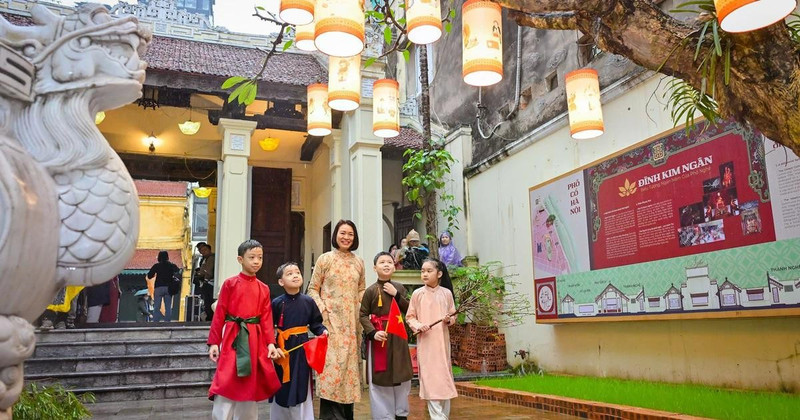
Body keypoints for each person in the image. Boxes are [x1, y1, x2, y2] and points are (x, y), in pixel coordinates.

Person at [207, 239, 282, 420]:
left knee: (250, 382)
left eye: (260, 257)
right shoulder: (230, 284)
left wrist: (270, 343)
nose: (256, 261)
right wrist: (214, 342)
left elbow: (266, 318)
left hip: (254, 340)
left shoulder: (263, 288)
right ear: (240, 259)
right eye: (252, 257)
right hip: (233, 336)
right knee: (227, 378)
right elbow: (220, 314)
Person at [307, 219, 366, 420]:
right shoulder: (325, 259)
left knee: (349, 371)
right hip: (330, 324)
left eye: (350, 234)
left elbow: (361, 289)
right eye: (343, 233)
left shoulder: (359, 262)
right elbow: (313, 289)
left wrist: (361, 311)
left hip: (352, 325)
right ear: (336, 235)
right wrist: (323, 311)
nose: (346, 237)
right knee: (332, 370)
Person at [270, 262, 328, 420]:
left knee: (301, 383)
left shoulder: (308, 301)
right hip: (282, 351)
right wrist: (274, 347)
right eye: (289, 274)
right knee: (281, 385)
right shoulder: (276, 303)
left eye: (297, 272)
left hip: (301, 351)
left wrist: (322, 331)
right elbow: (268, 327)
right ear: (281, 282)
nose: (295, 275)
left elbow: (315, 323)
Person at [359, 252, 413, 420]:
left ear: (394, 267)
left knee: (401, 373)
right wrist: (373, 332)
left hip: (398, 337)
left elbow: (409, 309)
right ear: (375, 268)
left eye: (389, 261)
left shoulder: (400, 287)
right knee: (380, 377)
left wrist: (396, 294)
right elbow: (362, 315)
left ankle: (401, 413)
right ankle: (384, 415)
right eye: (382, 262)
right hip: (379, 339)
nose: (386, 264)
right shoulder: (369, 291)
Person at [406, 258, 457, 420]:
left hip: (442, 344)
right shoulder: (417, 294)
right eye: (422, 271)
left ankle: (444, 416)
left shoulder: (446, 293)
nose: (425, 274)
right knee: (430, 380)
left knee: (444, 381)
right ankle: (439, 418)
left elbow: (453, 316)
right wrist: (419, 325)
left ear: (439, 273)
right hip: (426, 344)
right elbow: (410, 317)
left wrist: (448, 319)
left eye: (429, 271)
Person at [147, 251, 179, 322]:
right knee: (168, 307)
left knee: (156, 306)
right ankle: (167, 322)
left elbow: (149, 276)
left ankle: (156, 321)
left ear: (159, 257)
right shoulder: (171, 265)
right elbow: (177, 270)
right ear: (167, 257)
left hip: (158, 287)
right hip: (169, 288)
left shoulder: (156, 266)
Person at [195, 242, 216, 321]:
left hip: (209, 283)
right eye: (200, 250)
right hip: (206, 282)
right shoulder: (204, 259)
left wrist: (202, 274)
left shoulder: (211, 258)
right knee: (207, 302)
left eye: (204, 250)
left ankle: (210, 318)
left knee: (209, 302)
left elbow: (209, 272)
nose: (203, 252)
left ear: (209, 249)